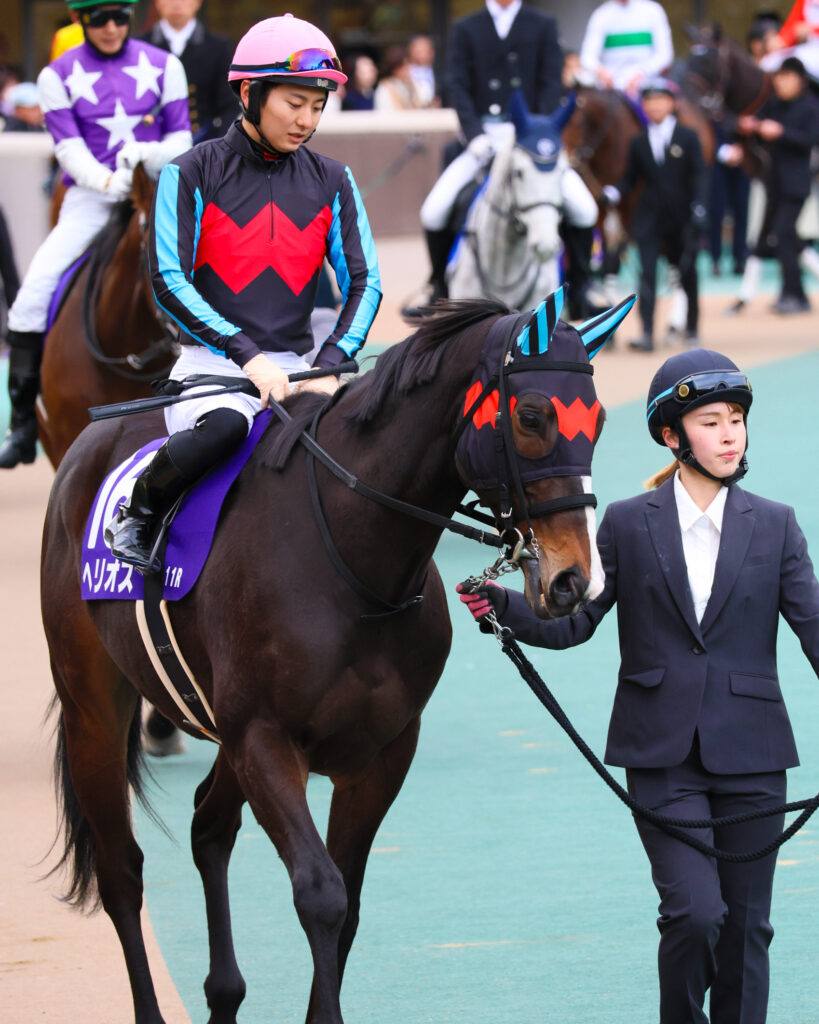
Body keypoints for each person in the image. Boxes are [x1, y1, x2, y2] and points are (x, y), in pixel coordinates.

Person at [459, 347, 819, 1024]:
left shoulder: (775, 525)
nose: (728, 433)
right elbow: (575, 624)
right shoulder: (626, 521)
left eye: (735, 419)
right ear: (670, 434)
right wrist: (502, 606)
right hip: (660, 756)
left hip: (754, 756)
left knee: (745, 928)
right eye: (710, 421)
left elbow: (815, 628)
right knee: (693, 914)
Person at [103, 13, 382, 573]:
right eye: (294, 102)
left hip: (301, 369)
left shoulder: (334, 180)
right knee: (228, 426)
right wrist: (247, 356)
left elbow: (365, 282)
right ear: (250, 92)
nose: (307, 119)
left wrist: (328, 364)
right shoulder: (190, 172)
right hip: (211, 370)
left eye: (318, 104)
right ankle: (140, 508)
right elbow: (168, 279)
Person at [0, 0, 192, 470]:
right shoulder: (55, 76)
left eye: (119, 18)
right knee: (29, 299)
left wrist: (142, 160)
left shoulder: (165, 65)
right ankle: (23, 426)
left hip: (156, 191)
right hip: (91, 197)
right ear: (81, 21)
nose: (110, 28)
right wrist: (111, 182)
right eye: (99, 19)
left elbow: (181, 139)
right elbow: (68, 150)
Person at [413, 0, 563, 308]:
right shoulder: (466, 27)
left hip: (529, 142)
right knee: (434, 210)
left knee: (583, 207)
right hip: (484, 139)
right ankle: (439, 284)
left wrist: (535, 133)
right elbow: (456, 85)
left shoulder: (543, 25)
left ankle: (583, 287)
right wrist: (475, 134)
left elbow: (551, 85)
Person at [602, 77, 708, 351]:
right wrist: (614, 192)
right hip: (650, 215)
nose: (654, 106)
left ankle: (693, 326)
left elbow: (699, 176)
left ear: (672, 104)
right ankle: (647, 331)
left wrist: (699, 206)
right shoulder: (639, 141)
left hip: (681, 215)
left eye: (660, 100)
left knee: (686, 271)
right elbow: (631, 178)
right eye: (648, 101)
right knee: (646, 271)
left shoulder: (688, 136)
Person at [727, 56, 819, 314]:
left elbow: (810, 140)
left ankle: (793, 294)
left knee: (783, 233)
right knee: (784, 237)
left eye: (788, 77)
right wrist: (747, 127)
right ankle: (796, 294)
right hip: (772, 183)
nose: (782, 82)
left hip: (796, 184)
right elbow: (750, 124)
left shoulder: (809, 108)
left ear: (800, 81)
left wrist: (781, 132)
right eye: (779, 77)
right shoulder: (773, 105)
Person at [142, 0, 237, 142]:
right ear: (157, 2)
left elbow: (229, 106)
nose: (176, 4)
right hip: (153, 145)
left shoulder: (218, 47)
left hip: (203, 144)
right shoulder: (142, 46)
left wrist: (219, 146)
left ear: (198, 2)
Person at [579, 0, 673, 95]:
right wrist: (601, 71)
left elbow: (665, 55)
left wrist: (641, 73)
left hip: (648, 87)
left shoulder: (653, 11)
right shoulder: (601, 15)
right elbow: (587, 57)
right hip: (612, 88)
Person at [373, 44, 423, 111]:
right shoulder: (385, 88)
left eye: (409, 64)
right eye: (404, 65)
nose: (408, 68)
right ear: (395, 68)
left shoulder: (412, 85)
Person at [407, 34, 439, 108]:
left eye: (425, 49)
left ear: (432, 52)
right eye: (419, 50)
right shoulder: (404, 73)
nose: (422, 54)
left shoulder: (441, 73)